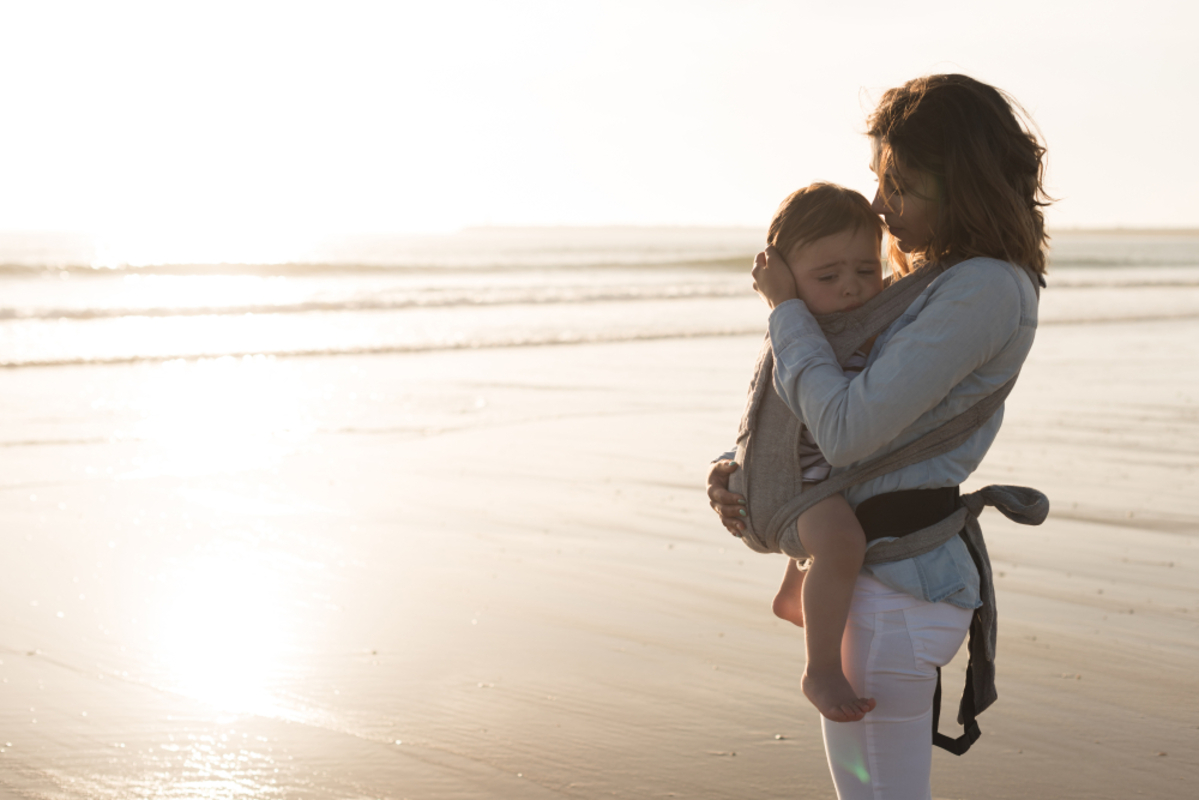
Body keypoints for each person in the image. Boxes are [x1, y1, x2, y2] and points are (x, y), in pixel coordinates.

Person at [707, 73, 1049, 799]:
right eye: (878, 181)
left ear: (960, 182)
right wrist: (743, 467)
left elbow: (846, 429)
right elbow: (843, 414)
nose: (878, 205)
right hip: (878, 589)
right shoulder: (938, 281)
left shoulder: (982, 288)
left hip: (895, 593)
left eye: (899, 184)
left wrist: (784, 311)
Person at [751, 182, 888, 724]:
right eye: (828, 277)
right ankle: (822, 669)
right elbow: (763, 414)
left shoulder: (857, 321)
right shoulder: (796, 332)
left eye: (867, 270)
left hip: (826, 472)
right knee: (842, 541)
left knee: (842, 512)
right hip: (802, 481)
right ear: (784, 280)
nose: (851, 288)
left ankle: (793, 591)